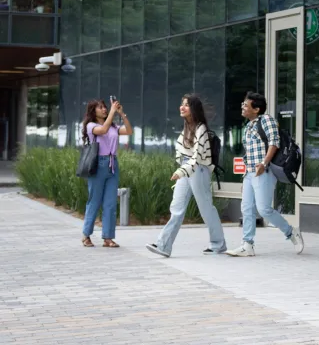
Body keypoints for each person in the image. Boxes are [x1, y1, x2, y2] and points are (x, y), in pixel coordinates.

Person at [146, 94, 227, 258]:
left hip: (198, 169)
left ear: (194, 109)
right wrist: (182, 169)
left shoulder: (201, 128)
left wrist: (181, 171)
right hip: (186, 168)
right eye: (181, 104)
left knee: (206, 209)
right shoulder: (186, 127)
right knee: (176, 208)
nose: (182, 107)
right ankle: (164, 245)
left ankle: (218, 244)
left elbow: (197, 157)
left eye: (186, 105)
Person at [225, 92, 305, 257]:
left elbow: (274, 142)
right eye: (243, 104)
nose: (242, 107)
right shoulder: (248, 127)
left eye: (246, 105)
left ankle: (291, 232)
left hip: (264, 171)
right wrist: (245, 177)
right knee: (246, 208)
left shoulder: (266, 120)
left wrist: (264, 163)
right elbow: (249, 154)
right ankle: (247, 245)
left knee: (264, 209)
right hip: (250, 173)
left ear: (256, 109)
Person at [81, 98, 133, 248]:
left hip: (112, 165)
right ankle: (86, 235)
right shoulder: (92, 126)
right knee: (94, 201)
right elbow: (102, 130)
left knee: (110, 203)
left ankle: (108, 238)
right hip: (98, 164)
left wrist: (122, 114)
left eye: (105, 107)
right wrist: (112, 111)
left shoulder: (113, 127)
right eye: (100, 107)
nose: (104, 109)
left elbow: (129, 131)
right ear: (93, 111)